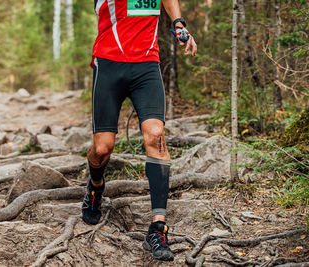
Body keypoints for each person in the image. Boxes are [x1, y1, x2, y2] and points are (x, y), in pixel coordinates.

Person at [82, 0, 197, 261]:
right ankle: (95, 186)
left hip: (146, 64)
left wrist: (179, 23)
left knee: (156, 135)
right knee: (102, 148)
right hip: (109, 63)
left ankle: (158, 228)